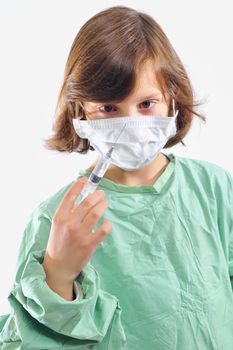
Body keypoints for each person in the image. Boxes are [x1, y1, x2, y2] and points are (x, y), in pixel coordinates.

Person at [0, 5, 232, 350]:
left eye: (146, 104)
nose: (131, 123)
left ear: (172, 97)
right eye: (109, 108)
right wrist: (57, 277)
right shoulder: (59, 219)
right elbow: (32, 342)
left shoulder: (213, 189)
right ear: (81, 111)